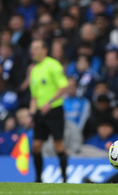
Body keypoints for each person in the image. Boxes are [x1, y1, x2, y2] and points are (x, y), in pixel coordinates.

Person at [29, 40, 69, 183]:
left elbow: (63, 86)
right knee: (36, 145)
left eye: (36, 48)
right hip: (40, 112)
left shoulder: (53, 65)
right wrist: (32, 113)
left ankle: (64, 179)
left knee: (58, 144)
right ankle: (38, 179)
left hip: (54, 110)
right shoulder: (34, 70)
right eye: (32, 48)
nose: (33, 51)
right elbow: (34, 96)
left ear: (45, 50)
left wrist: (50, 102)